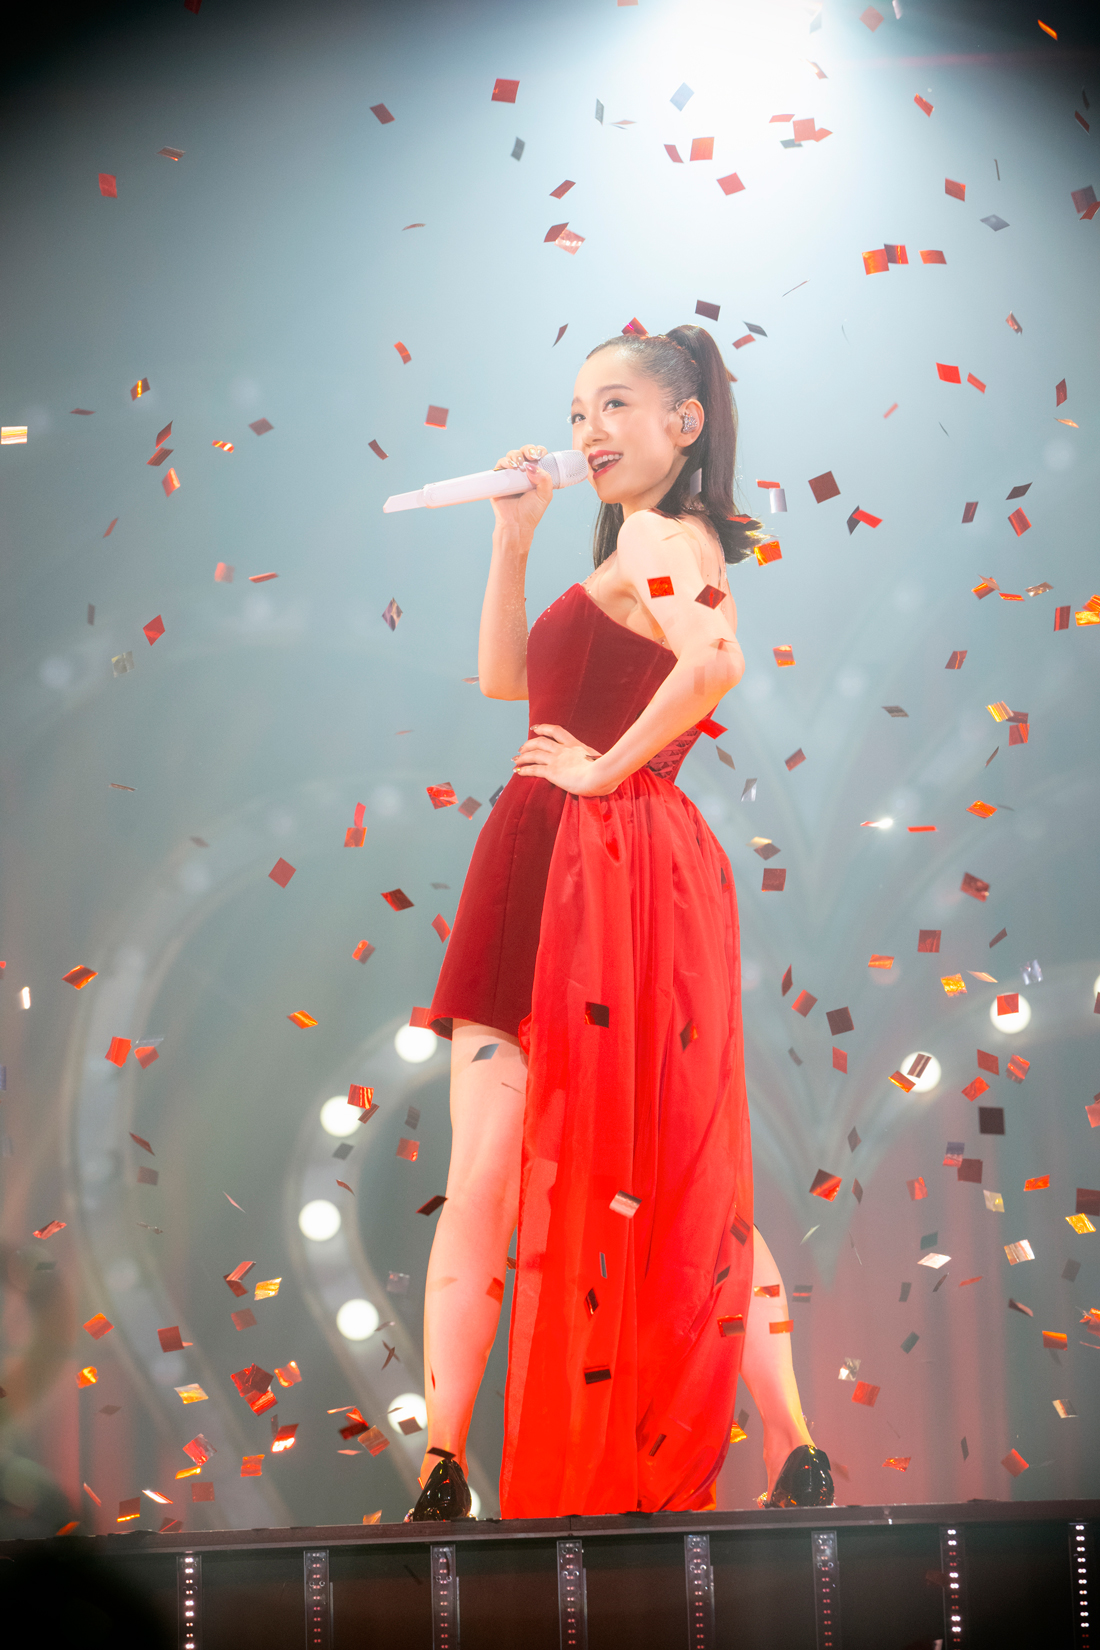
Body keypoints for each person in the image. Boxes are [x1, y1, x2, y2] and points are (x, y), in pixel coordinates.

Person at [407, 325, 832, 1521]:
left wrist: (600, 771)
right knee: (677, 1174)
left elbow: (714, 664)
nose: (586, 431)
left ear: (683, 423)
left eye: (612, 406)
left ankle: (441, 1460)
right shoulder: (659, 542)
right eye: (576, 411)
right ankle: (791, 1441)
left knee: (484, 1175)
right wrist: (514, 538)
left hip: (571, 860)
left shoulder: (655, 535)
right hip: (626, 872)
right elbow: (511, 684)